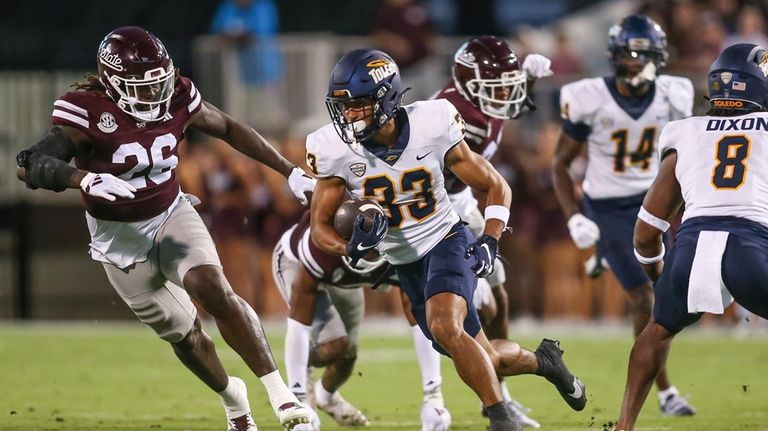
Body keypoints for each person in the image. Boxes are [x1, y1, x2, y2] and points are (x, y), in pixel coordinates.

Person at [13, 26, 317, 431]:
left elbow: (227, 127)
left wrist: (289, 171)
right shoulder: (85, 110)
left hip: (172, 216)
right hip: (118, 240)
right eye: (142, 86)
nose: (156, 95)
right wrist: (82, 179)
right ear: (112, 81)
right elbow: (28, 164)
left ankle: (282, 397)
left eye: (160, 82)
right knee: (186, 336)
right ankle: (233, 399)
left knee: (212, 286)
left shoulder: (177, 95)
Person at [306, 48, 587, 431]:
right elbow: (319, 226)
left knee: (445, 327)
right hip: (403, 262)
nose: (349, 116)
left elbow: (494, 184)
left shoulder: (432, 122)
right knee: (480, 353)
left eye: (358, 105)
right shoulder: (334, 150)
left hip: (445, 240)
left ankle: (502, 419)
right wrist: (351, 250)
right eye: (344, 107)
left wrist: (489, 238)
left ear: (386, 98)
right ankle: (546, 362)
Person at [614, 42, 768, 431]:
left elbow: (646, 231)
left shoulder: (686, 132)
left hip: (691, 247)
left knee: (657, 331)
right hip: (751, 248)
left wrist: (659, 279)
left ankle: (623, 426)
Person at [404, 35, 554, 429]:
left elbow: (508, 103)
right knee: (471, 308)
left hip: (466, 200)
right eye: (498, 86)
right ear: (470, 86)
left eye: (507, 85)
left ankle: (502, 391)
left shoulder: (483, 98)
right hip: (437, 211)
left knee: (499, 294)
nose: (506, 94)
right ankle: (478, 396)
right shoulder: (451, 114)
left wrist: (528, 81)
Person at [551, 15, 695, 417]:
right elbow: (560, 163)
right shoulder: (589, 96)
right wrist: (575, 217)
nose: (635, 62)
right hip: (609, 207)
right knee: (645, 298)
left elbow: (681, 156)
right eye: (629, 54)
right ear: (615, 57)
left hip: (654, 200)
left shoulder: (674, 93)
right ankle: (666, 393)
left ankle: (602, 253)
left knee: (667, 295)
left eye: (643, 54)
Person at [272, 208, 399, 428]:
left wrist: (433, 394)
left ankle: (326, 398)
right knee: (333, 345)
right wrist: (298, 397)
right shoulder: (319, 249)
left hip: (343, 273)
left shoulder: (398, 242)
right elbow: (298, 324)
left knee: (347, 354)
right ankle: (302, 385)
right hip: (299, 263)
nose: (373, 251)